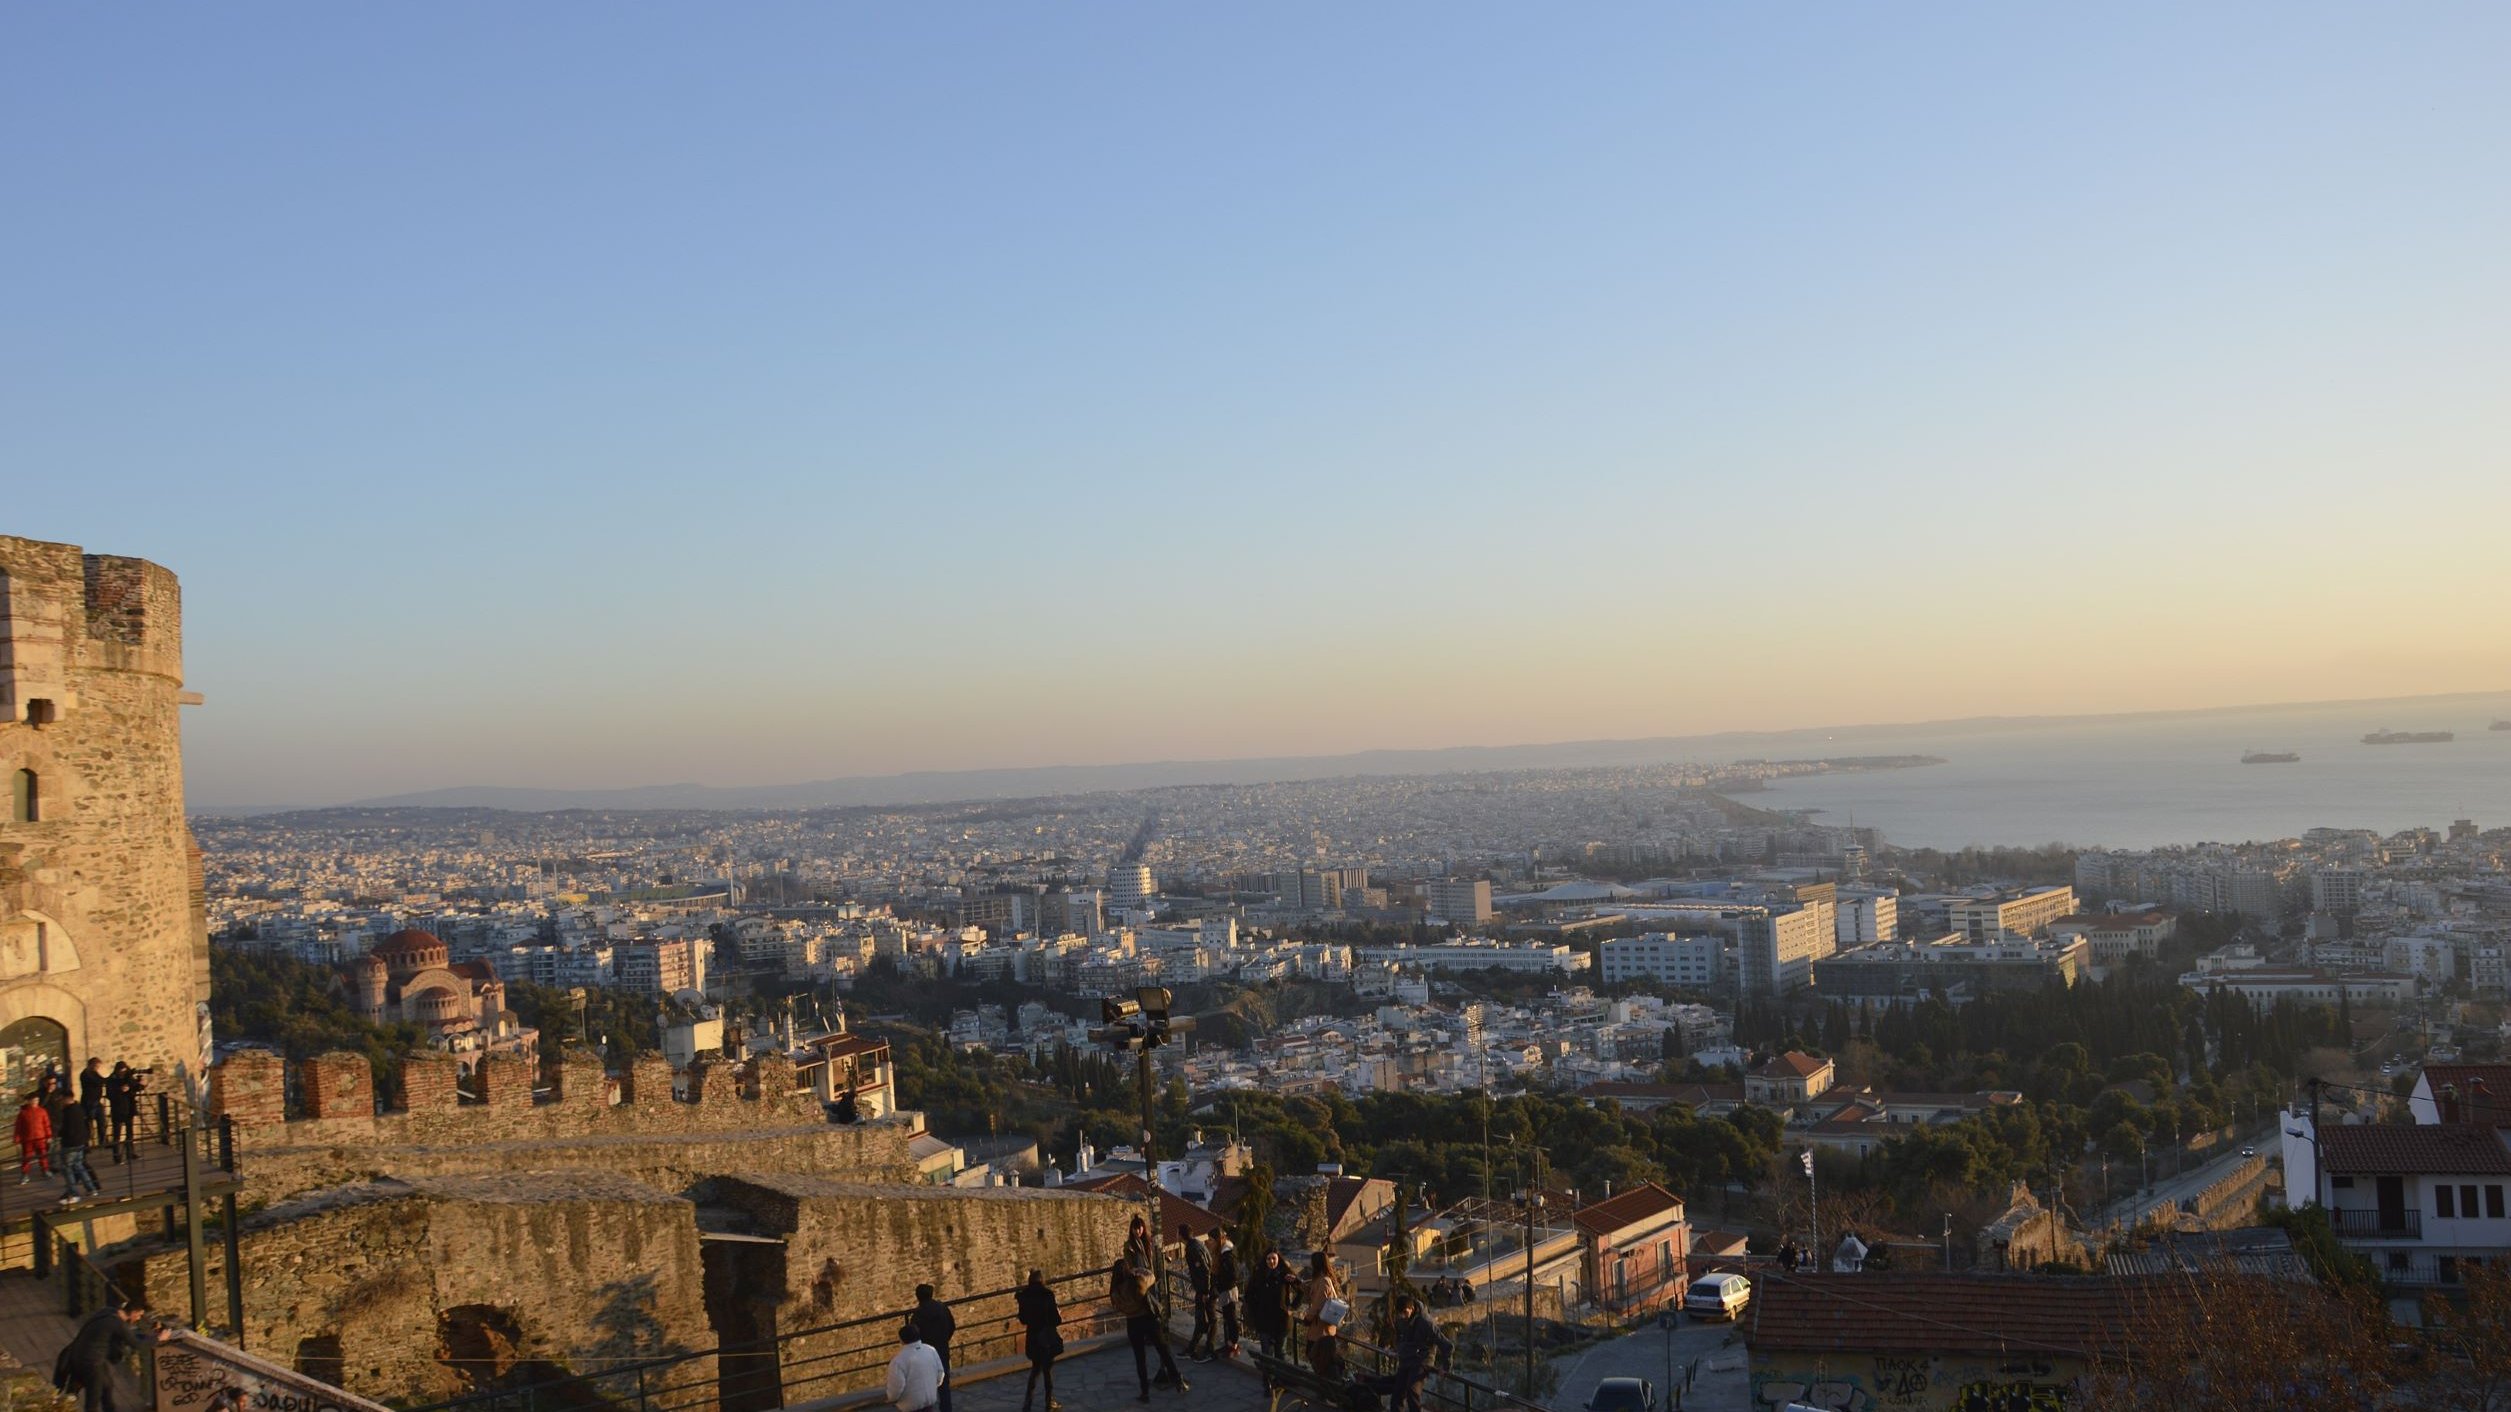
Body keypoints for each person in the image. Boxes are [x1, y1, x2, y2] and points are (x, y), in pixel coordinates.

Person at [57, 1299, 169, 1412]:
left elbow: (127, 1335)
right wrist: (159, 1338)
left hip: (79, 1354)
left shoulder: (108, 1311)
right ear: (134, 1312)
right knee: (93, 1400)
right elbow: (137, 1344)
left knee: (107, 1386)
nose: (139, 1318)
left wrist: (150, 1334)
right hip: (92, 1363)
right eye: (139, 1315)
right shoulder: (117, 1324)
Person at [1109, 1251, 1184, 1402]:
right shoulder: (1137, 1282)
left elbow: (1119, 1308)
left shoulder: (1115, 1292)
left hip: (1132, 1323)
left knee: (1140, 1359)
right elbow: (1151, 1276)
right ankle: (1178, 1381)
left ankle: (1145, 1393)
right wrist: (1137, 1270)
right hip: (1148, 1320)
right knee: (1163, 1351)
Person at [1389, 1293, 1453, 1412]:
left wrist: (1446, 1366)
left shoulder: (1425, 1322)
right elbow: (1400, 1337)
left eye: (1405, 1312)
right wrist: (1397, 1349)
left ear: (1412, 1308)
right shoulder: (1401, 1319)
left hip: (1422, 1359)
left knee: (1412, 1390)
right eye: (1400, 1313)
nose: (1403, 1316)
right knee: (1397, 1391)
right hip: (1406, 1358)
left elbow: (1445, 1344)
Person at [1015, 1269, 1063, 1412]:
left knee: (1035, 1369)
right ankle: (1049, 1402)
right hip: (1045, 1337)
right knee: (1047, 1371)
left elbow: (1023, 1319)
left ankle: (1028, 1402)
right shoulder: (1047, 1295)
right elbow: (1055, 1319)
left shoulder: (1024, 1296)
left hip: (1032, 1337)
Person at [911, 1283, 956, 1412]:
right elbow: (952, 1326)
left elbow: (914, 1336)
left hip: (924, 1354)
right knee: (944, 1385)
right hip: (942, 1349)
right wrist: (944, 1340)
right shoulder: (943, 1309)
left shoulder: (918, 1315)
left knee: (924, 1385)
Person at [884, 1323, 944, 1412]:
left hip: (909, 1405)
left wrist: (891, 1398)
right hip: (929, 1400)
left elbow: (896, 1386)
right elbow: (940, 1373)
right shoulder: (931, 1350)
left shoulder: (898, 1361)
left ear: (901, 1340)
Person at [1244, 1248, 1292, 1358]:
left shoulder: (1285, 1274)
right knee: (1266, 1353)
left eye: (1274, 1258)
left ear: (1278, 1259)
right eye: (1268, 1259)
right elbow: (1249, 1295)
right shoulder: (1259, 1274)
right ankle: (1268, 1370)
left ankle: (1279, 1370)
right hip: (1264, 1321)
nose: (1271, 1261)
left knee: (1280, 1354)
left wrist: (1292, 1307)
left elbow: (1300, 1290)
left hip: (1281, 1321)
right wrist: (1256, 1310)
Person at [1299, 1252, 1343, 1366]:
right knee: (1316, 1359)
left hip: (1321, 1330)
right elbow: (1312, 1294)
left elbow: (1318, 1303)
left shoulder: (1324, 1281)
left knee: (1317, 1359)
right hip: (1319, 1329)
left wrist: (1308, 1318)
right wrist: (1298, 1283)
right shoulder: (1320, 1280)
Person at [56, 1095, 102, 1204]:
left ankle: (73, 1193)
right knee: (79, 1166)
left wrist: (59, 1133)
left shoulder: (68, 1112)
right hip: (80, 1143)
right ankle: (91, 1189)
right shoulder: (79, 1108)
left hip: (70, 1144)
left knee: (67, 1168)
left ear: (66, 1099)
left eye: (61, 1100)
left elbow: (68, 1130)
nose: (60, 1103)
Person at [1181, 1221, 1216, 1362]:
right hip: (1204, 1288)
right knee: (1201, 1319)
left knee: (1208, 1319)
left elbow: (1205, 1270)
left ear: (1181, 1235)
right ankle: (1193, 1348)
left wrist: (1205, 1291)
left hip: (1205, 1290)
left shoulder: (1193, 1249)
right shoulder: (1197, 1245)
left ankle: (1207, 1350)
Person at [1208, 1228, 1241, 1360]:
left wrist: (1221, 1283)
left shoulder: (1227, 1255)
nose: (1209, 1242)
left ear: (1218, 1240)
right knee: (1227, 1317)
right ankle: (1229, 1343)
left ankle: (1233, 1344)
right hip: (1223, 1290)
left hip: (1228, 1290)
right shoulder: (1221, 1253)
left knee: (1231, 1317)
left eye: (1211, 1240)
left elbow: (1233, 1275)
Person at [104, 1065, 141, 1164]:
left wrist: (140, 1084)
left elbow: (136, 1087)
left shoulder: (128, 1078)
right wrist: (120, 1090)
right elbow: (109, 1095)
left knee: (130, 1133)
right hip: (118, 1110)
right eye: (121, 1071)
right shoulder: (111, 1080)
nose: (123, 1073)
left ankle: (130, 1153)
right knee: (117, 1134)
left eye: (124, 1071)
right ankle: (117, 1157)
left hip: (129, 1109)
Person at [16, 1092, 53, 1184]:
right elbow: (18, 1127)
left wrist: (49, 1136)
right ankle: (25, 1174)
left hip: (40, 1138)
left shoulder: (42, 1111)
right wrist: (17, 1138)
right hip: (28, 1139)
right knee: (26, 1157)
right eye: (34, 1100)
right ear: (29, 1101)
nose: (35, 1102)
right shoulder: (23, 1113)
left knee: (43, 1155)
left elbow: (47, 1125)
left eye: (37, 1100)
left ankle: (45, 1170)